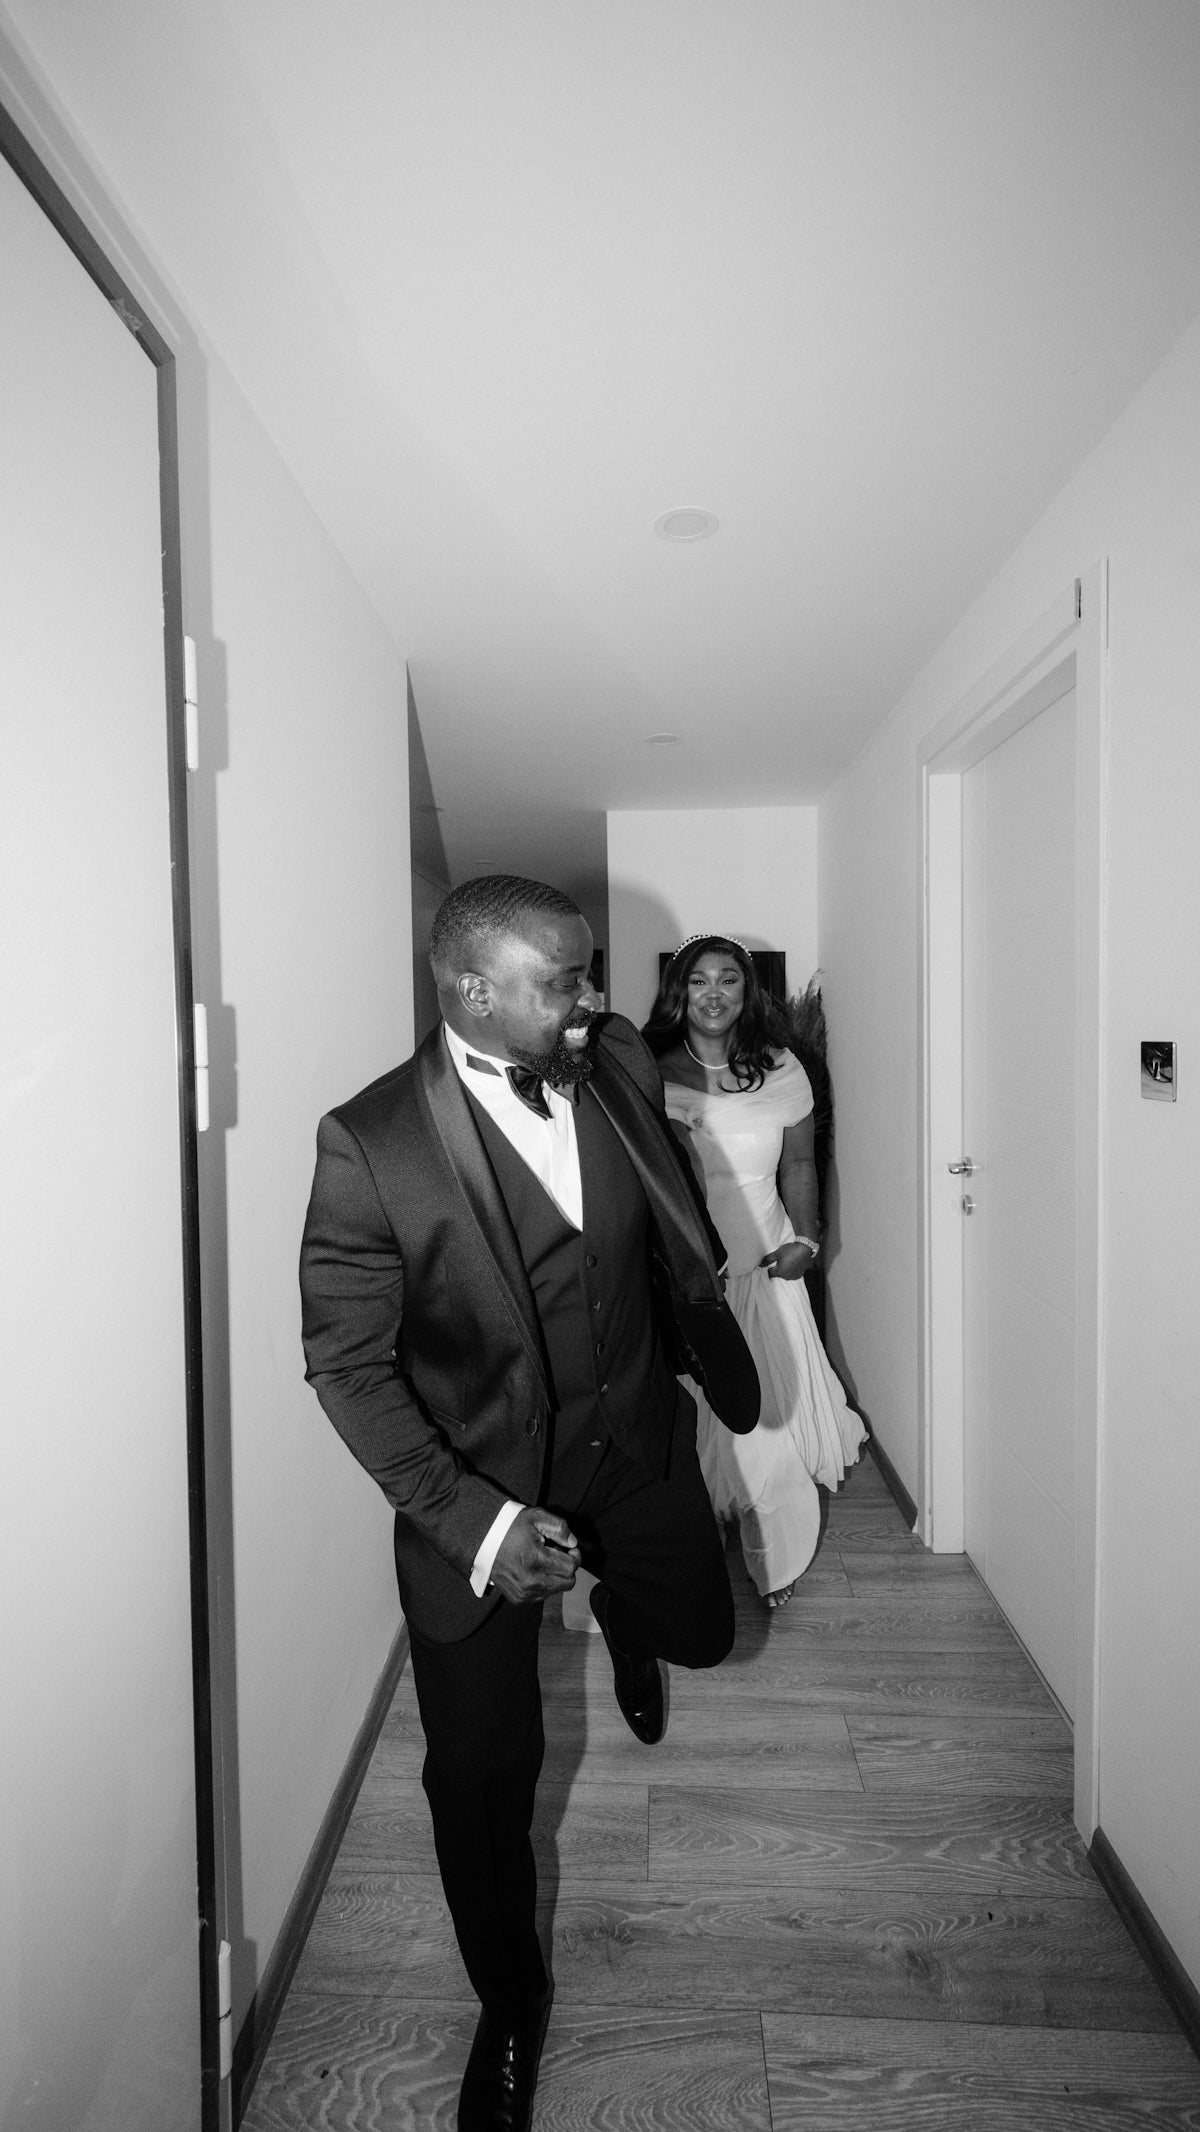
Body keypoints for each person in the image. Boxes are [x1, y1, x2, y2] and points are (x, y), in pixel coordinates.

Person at [299, 877, 758, 2132]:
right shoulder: (372, 1141)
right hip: (486, 1502)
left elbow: (660, 1197)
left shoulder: (602, 1052)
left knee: (709, 1629)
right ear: (470, 988)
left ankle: (624, 1604)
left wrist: (687, 1319)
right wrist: (486, 1526)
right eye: (563, 978)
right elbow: (345, 1364)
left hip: (638, 1447)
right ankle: (510, 1999)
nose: (596, 999)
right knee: (483, 1780)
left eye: (588, 970)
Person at [644, 933, 866, 1609]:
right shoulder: (645, 1067)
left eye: (729, 981)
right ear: (680, 990)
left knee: (767, 1417)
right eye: (700, 980)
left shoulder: (782, 1067)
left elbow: (800, 1163)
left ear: (748, 992)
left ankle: (778, 1556)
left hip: (766, 1263)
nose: (715, 994)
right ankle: (701, 1525)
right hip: (684, 1270)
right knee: (697, 1416)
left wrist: (809, 1237)